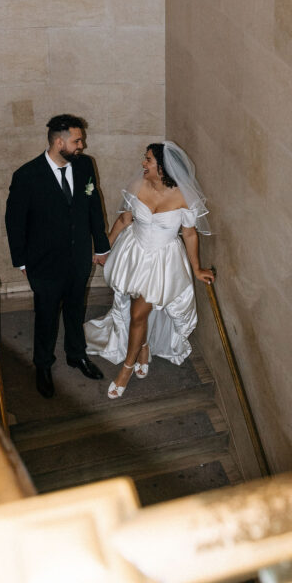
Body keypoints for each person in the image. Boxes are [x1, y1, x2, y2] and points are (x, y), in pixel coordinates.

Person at [85, 141, 214, 399]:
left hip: (161, 262)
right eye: (144, 159)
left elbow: (189, 233)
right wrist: (104, 249)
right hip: (133, 255)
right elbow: (124, 219)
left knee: (138, 315)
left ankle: (126, 369)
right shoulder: (138, 185)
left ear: (163, 168)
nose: (143, 164)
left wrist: (197, 268)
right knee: (134, 306)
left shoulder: (183, 197)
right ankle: (143, 347)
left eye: (148, 160)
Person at [5, 114, 110, 399]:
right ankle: (43, 365)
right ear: (59, 142)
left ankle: (76, 355)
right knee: (47, 317)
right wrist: (22, 262)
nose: (82, 145)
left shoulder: (85, 165)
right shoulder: (27, 176)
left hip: (78, 258)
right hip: (44, 263)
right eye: (77, 140)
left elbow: (93, 207)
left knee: (76, 310)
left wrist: (100, 246)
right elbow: (15, 222)